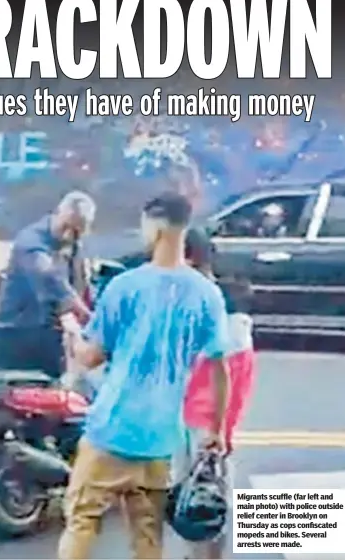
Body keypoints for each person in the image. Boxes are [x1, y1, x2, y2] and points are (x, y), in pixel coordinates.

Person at [56, 192, 230, 560]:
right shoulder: (208, 296)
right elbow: (220, 369)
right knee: (147, 535)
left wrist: (72, 331)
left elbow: (89, 358)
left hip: (112, 429)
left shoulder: (125, 287)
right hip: (161, 437)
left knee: (82, 519)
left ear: (155, 227)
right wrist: (215, 430)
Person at [173, 227, 256, 559]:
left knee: (202, 498)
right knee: (206, 494)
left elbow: (218, 371)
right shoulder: (227, 308)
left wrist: (216, 429)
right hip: (209, 420)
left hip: (203, 421)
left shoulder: (209, 308)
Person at [0, 191, 95, 379]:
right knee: (2, 392)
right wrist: (82, 311)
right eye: (65, 227)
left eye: (77, 231)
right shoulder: (30, 242)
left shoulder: (74, 245)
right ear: (57, 214)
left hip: (48, 335)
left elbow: (79, 280)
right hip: (14, 333)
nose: (69, 235)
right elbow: (50, 277)